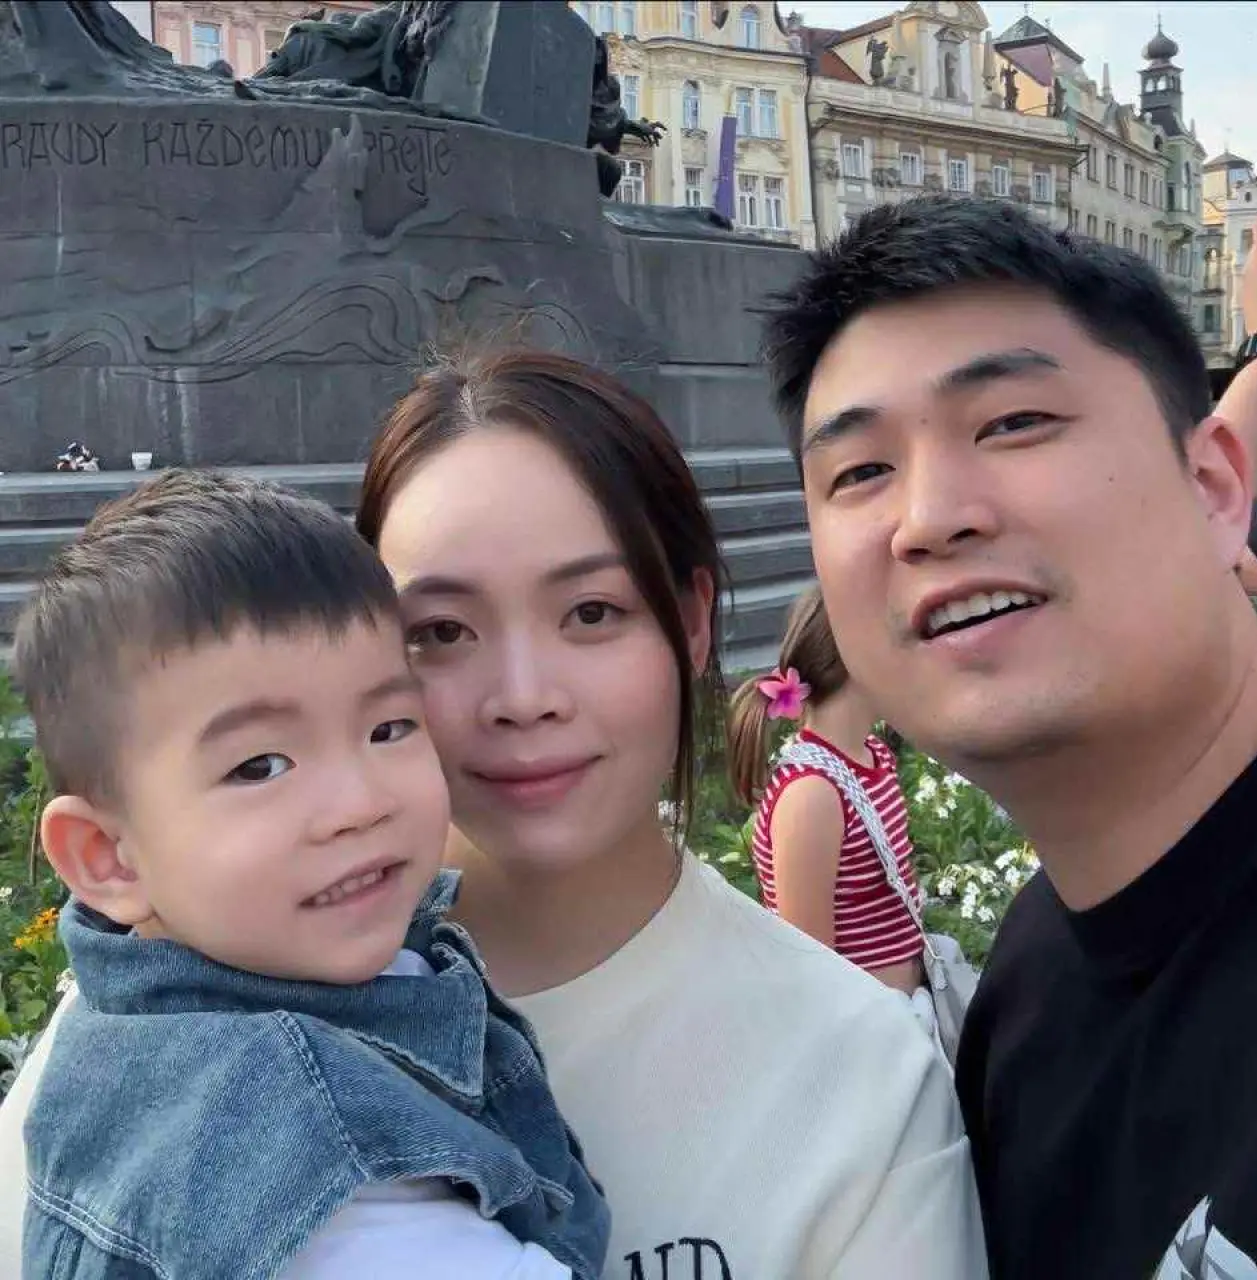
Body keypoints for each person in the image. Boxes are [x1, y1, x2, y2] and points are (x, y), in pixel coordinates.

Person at [0, 355, 988, 1279]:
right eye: (439, 630)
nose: (523, 697)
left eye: (591, 612)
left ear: (690, 622)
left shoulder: (855, 1076)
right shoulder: (150, 1046)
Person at [762, 195, 1257, 1278]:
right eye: (859, 473)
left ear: (1212, 487)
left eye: (1010, 423)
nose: (928, 518)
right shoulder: (1022, 999)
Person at [11, 471, 608, 1280]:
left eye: (389, 727)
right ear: (107, 857)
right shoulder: (290, 1142)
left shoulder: (137, 1028)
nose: (360, 803)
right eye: (260, 766)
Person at [726, 586, 929, 1002]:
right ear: (857, 658)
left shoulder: (872, 755)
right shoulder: (811, 794)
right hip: (865, 1024)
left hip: (906, 1013)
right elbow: (811, 966)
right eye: (901, 644)